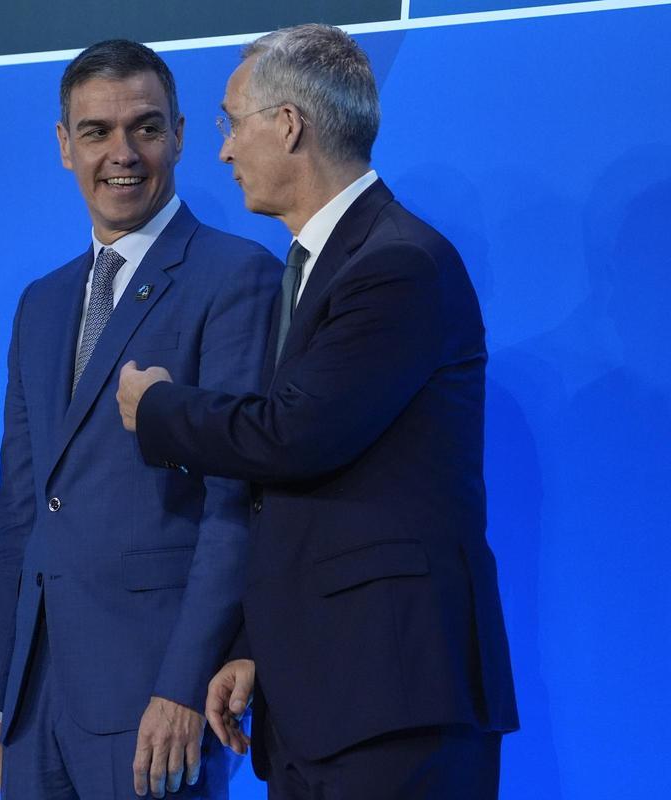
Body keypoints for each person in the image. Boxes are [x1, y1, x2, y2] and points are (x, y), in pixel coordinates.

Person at [117, 24, 519, 799]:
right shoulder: (319, 266)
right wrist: (253, 644)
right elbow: (313, 501)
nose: (225, 150)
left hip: (393, 700)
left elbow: (295, 436)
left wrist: (160, 409)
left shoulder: (396, 264)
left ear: (289, 124)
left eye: (233, 122)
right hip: (326, 699)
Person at [0, 39, 280, 800]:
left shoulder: (238, 278)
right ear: (64, 146)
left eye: (145, 127)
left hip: (155, 704)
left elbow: (236, 505)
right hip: (36, 711)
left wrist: (182, 683)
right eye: (97, 132)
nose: (123, 154)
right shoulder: (41, 303)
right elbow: (20, 515)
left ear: (179, 133)